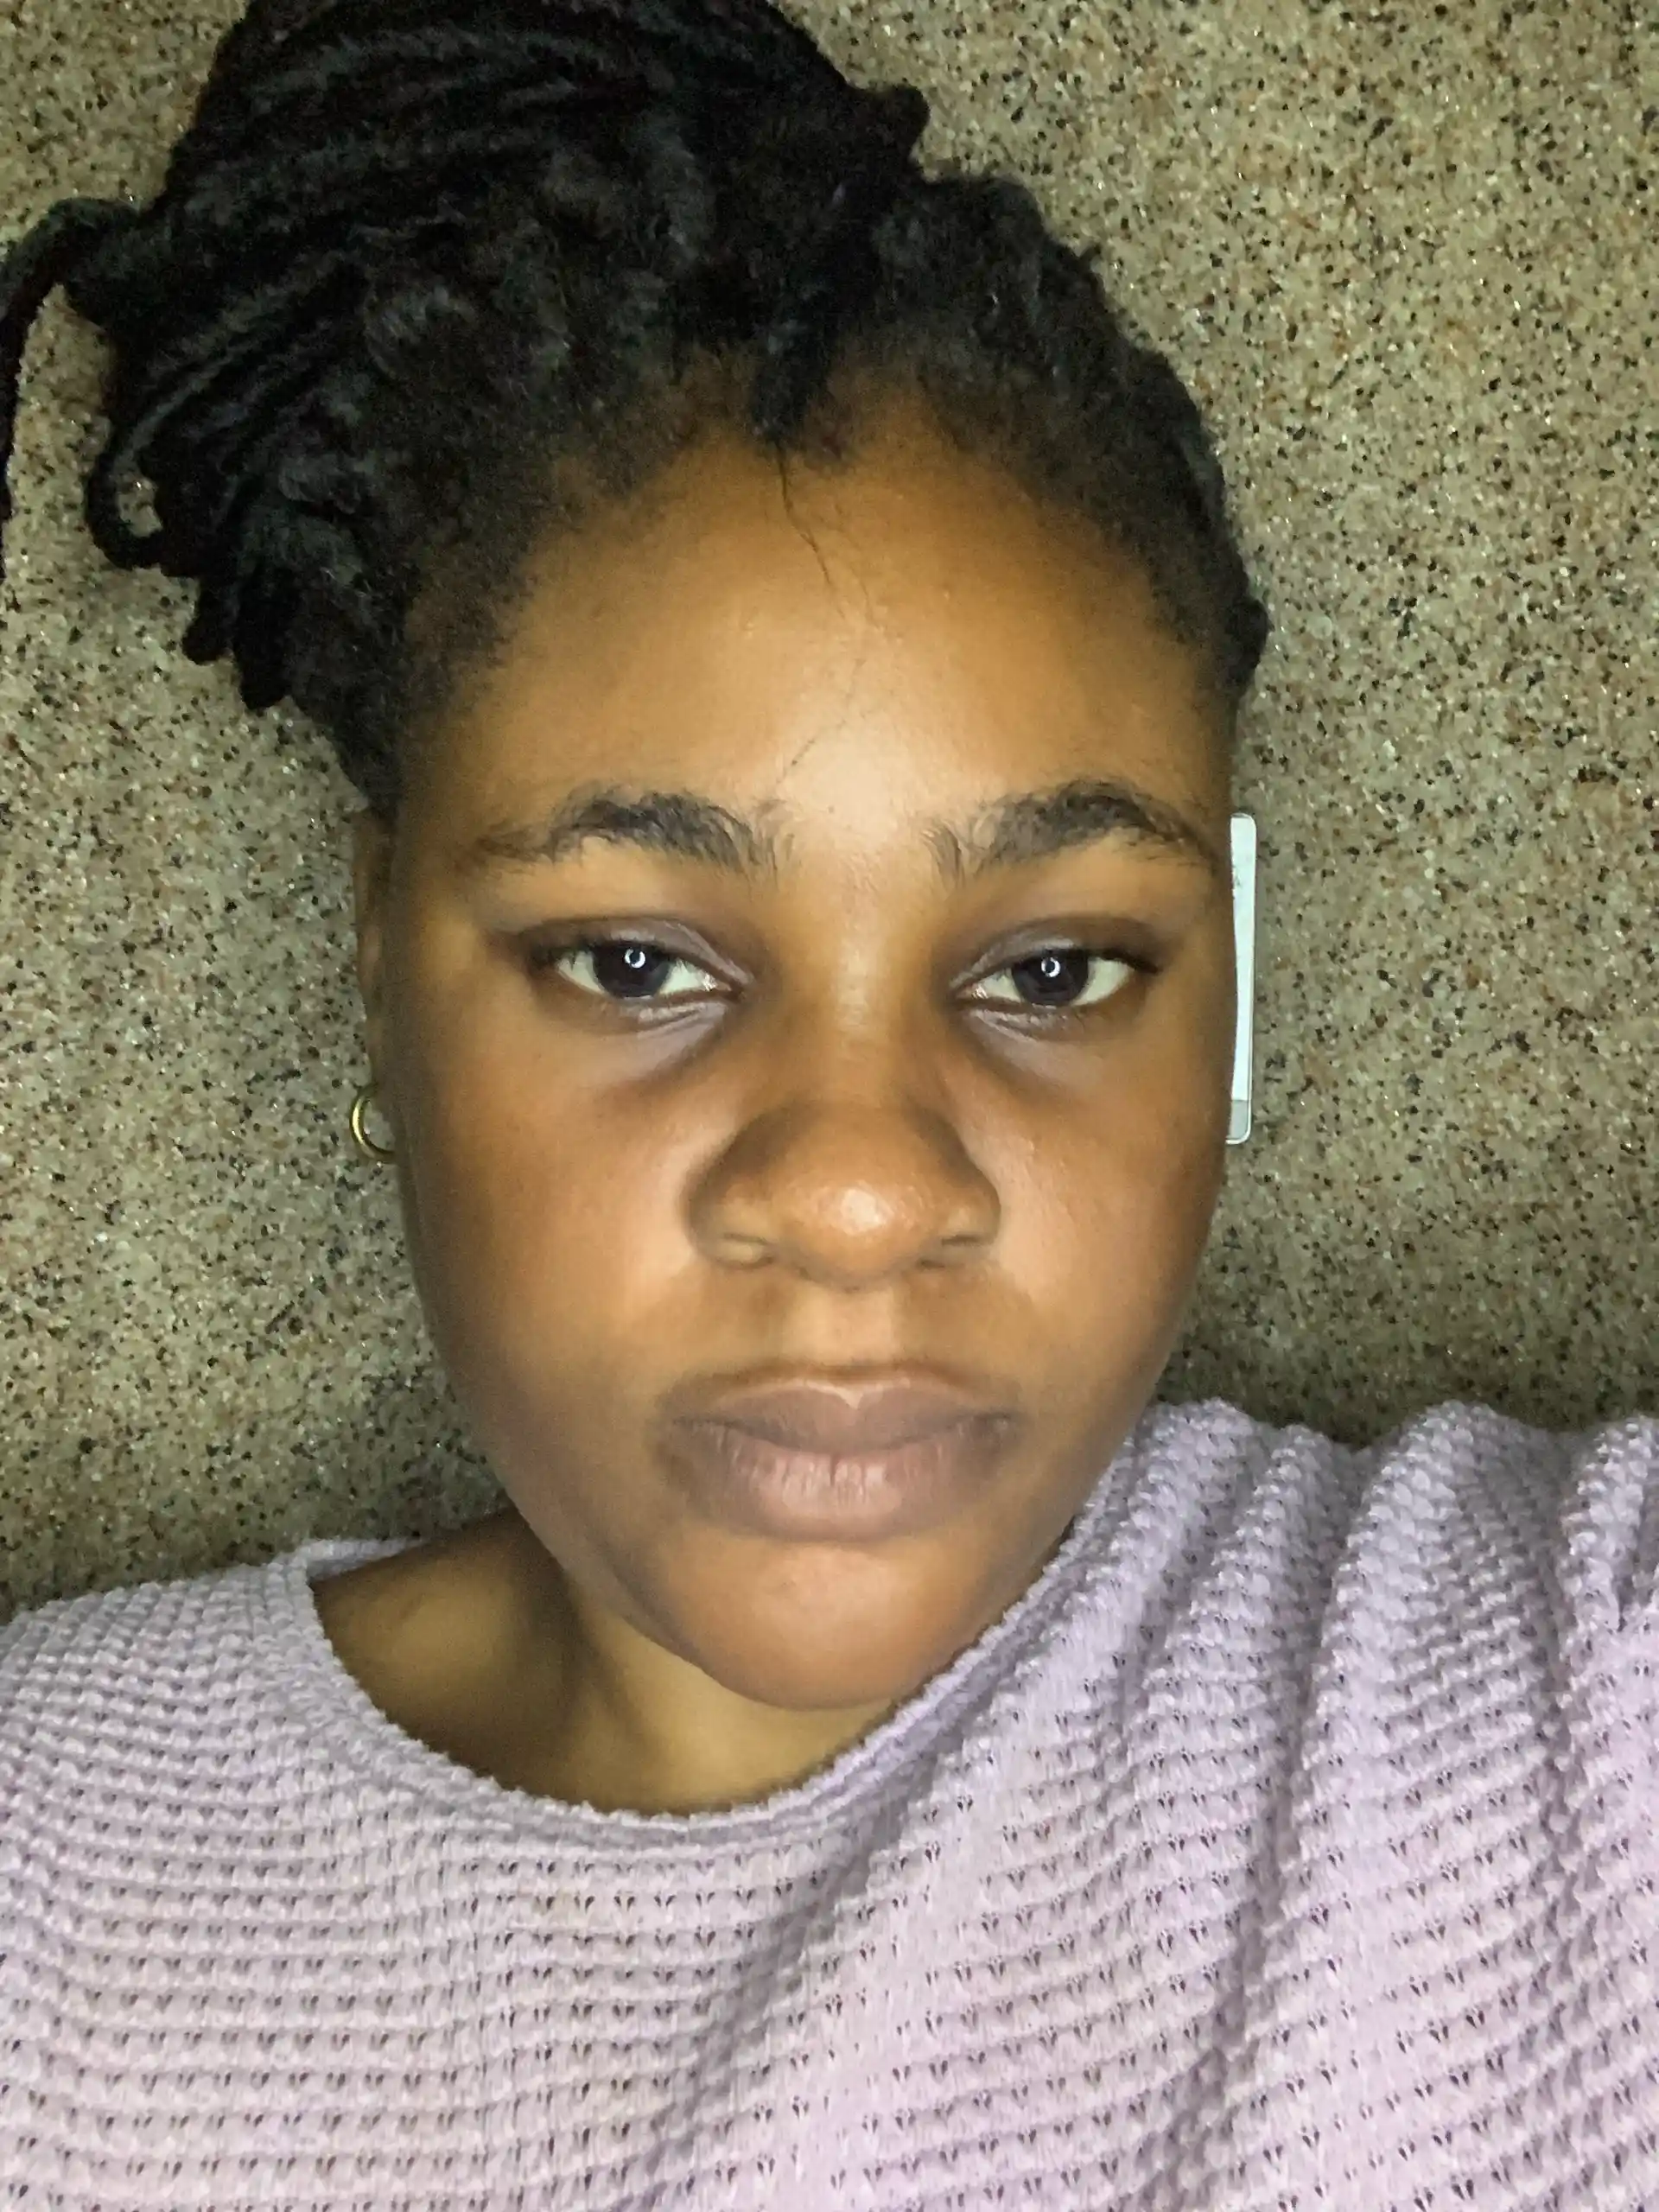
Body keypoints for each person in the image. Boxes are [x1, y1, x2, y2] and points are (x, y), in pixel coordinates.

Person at [0, 0, 1653, 2202]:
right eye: (635, 962)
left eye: (1054, 971)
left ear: (1230, 985)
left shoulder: (1550, 1702)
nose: (865, 1193)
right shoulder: (40, 1873)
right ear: (378, 954)